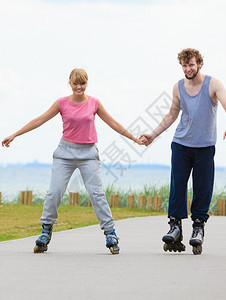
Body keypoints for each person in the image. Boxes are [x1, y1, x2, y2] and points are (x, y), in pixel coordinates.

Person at [2, 68, 145, 255]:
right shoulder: (61, 103)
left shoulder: (94, 103)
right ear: (70, 83)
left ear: (87, 83)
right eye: (75, 83)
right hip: (64, 153)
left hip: (88, 154)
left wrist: (134, 139)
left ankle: (110, 233)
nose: (79, 87)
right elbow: (40, 120)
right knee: (54, 192)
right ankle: (46, 231)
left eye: (82, 83)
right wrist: (15, 134)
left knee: (97, 194)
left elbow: (113, 123)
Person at [140, 48, 226, 255]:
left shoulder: (213, 84)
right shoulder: (178, 87)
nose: (188, 69)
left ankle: (198, 226)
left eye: (191, 64)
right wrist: (153, 135)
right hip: (181, 144)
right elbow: (171, 115)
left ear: (199, 63)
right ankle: (175, 227)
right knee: (177, 185)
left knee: (203, 187)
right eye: (184, 65)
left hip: (205, 147)